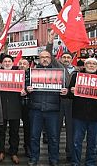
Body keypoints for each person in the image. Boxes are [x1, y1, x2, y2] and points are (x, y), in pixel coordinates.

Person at [27, 31, 68, 166]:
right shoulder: (32, 72)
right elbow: (25, 85)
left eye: (47, 57)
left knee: (54, 138)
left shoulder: (58, 70)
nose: (44, 59)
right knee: (34, 136)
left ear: (51, 59)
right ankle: (34, 158)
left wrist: (64, 91)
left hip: (53, 110)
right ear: (39, 59)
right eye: (42, 57)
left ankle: (54, 159)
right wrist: (28, 89)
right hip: (36, 109)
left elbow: (65, 87)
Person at [69, 58, 97, 166]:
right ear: (84, 65)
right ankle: (75, 162)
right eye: (89, 63)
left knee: (93, 143)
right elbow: (69, 95)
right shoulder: (76, 76)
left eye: (94, 64)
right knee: (76, 142)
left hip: (96, 116)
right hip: (79, 115)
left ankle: (90, 163)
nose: (91, 65)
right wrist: (71, 91)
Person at [0, 55, 22, 164]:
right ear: (1, 63)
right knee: (1, 131)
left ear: (12, 63)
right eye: (5, 61)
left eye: (9, 61)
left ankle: (14, 152)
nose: (7, 63)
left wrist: (23, 92)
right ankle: (1, 152)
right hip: (1, 107)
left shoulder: (19, 74)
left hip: (14, 107)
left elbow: (23, 88)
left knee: (14, 132)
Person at [58, 52, 78, 162]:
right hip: (59, 101)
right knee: (56, 129)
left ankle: (69, 153)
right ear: (60, 59)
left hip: (72, 103)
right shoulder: (57, 68)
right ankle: (54, 152)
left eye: (68, 57)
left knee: (71, 130)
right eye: (64, 57)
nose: (66, 59)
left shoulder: (78, 71)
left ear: (72, 59)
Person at [18, 58, 31, 158]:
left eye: (24, 64)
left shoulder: (32, 75)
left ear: (29, 65)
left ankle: (28, 147)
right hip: (16, 105)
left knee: (28, 128)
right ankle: (13, 148)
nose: (22, 65)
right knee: (14, 128)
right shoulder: (14, 74)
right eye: (20, 63)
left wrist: (27, 89)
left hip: (28, 105)